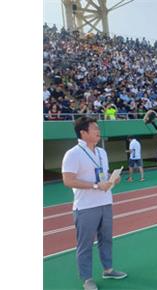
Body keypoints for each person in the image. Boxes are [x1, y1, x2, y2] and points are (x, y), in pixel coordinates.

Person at [61, 117, 127, 290]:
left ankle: (108, 269)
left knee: (106, 239)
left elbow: (102, 175)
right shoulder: (73, 154)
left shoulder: (101, 152)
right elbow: (68, 180)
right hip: (85, 206)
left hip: (105, 202)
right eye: (94, 128)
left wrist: (113, 180)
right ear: (83, 133)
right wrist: (96, 185)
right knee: (85, 244)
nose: (98, 131)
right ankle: (87, 278)